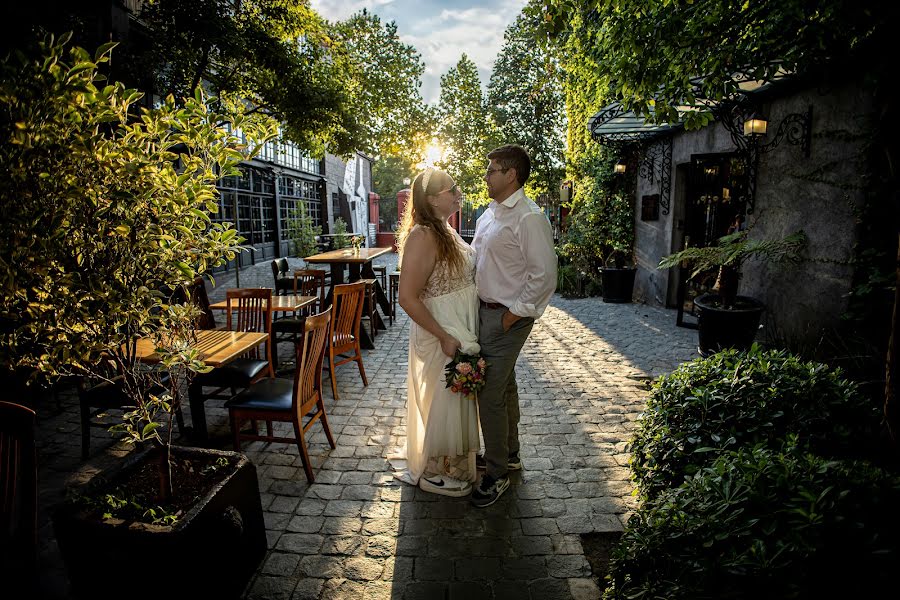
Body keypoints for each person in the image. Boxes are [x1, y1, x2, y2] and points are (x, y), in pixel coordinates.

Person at [470, 144, 557, 507]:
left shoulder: (529, 217)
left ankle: (496, 474)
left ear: (512, 175)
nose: (486, 176)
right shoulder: (490, 213)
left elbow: (545, 276)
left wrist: (512, 314)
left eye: (492, 170)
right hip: (484, 311)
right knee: (503, 387)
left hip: (508, 317)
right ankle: (509, 453)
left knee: (488, 393)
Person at [388, 167, 481, 497]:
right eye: (450, 189)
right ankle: (434, 470)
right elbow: (407, 297)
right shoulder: (422, 235)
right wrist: (443, 335)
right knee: (444, 399)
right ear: (430, 199)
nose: (458, 192)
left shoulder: (445, 229)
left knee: (457, 400)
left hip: (461, 325)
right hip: (441, 330)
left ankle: (454, 462)